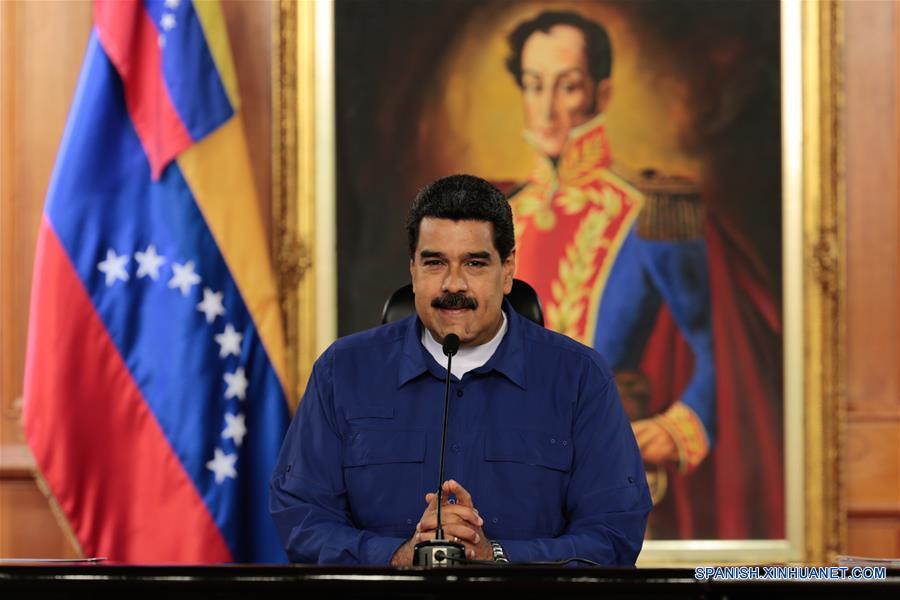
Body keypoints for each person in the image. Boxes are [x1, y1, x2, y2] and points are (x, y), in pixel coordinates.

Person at [269, 174, 652, 565]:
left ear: (507, 271)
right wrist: (399, 556)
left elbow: (614, 534)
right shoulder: (342, 371)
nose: (454, 284)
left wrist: (496, 556)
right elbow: (302, 519)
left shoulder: (579, 377)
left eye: (474, 263)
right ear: (413, 271)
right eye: (435, 263)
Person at [499, 10, 719, 535]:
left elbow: (718, 351)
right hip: (500, 484)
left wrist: (677, 426)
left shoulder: (651, 213)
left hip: (611, 479)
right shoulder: (498, 216)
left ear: (601, 92)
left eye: (567, 86)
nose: (547, 108)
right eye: (534, 86)